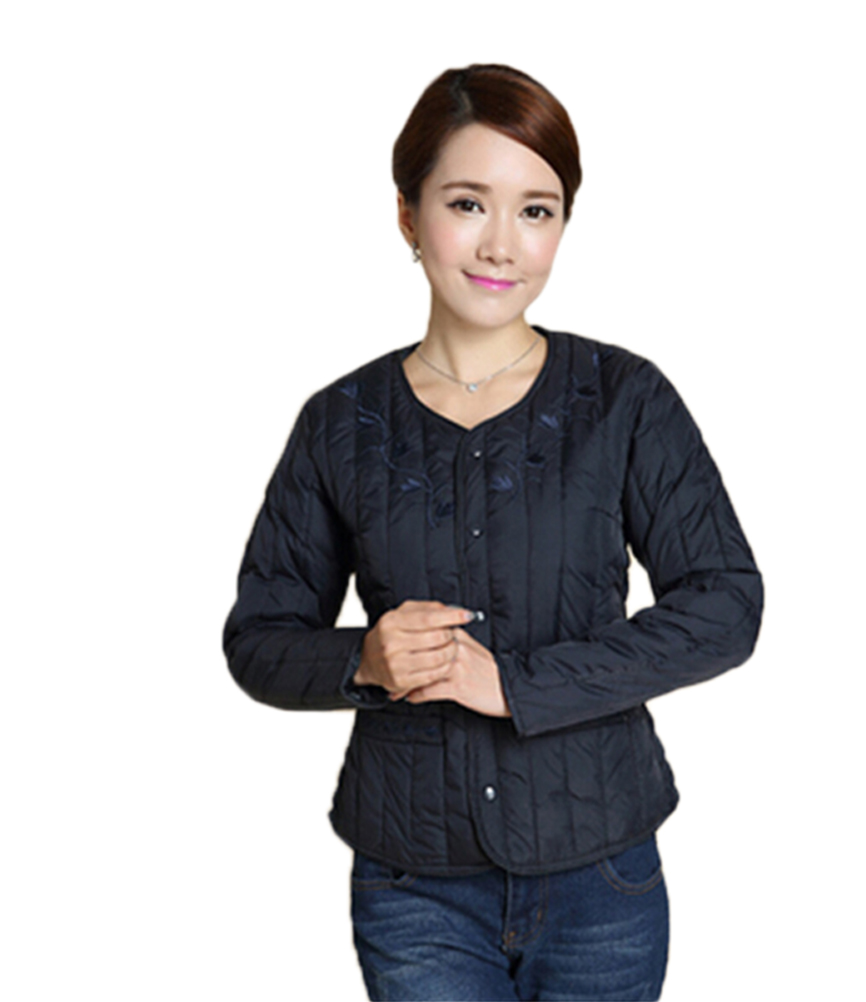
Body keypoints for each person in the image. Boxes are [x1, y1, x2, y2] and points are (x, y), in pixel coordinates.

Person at [223, 63, 764, 1002]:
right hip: (414, 886)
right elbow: (258, 641)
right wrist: (365, 660)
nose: (502, 244)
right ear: (408, 215)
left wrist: (516, 685)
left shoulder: (625, 400)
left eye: (536, 211)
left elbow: (725, 606)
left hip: (601, 874)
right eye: (468, 203)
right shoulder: (338, 424)